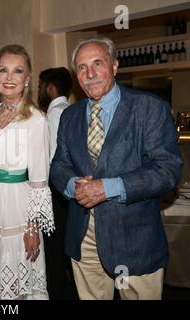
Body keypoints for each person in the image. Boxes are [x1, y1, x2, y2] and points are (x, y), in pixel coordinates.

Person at [50, 36, 183, 300]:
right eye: (82, 67)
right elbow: (59, 165)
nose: (90, 74)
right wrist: (73, 185)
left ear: (114, 66)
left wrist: (108, 187)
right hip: (83, 237)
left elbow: (168, 170)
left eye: (97, 63)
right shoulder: (70, 116)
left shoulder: (149, 108)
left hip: (135, 240)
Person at [0, 44, 55, 300]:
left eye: (17, 71)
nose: (9, 77)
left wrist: (32, 229)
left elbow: (39, 180)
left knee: (17, 286)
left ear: (27, 79)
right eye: (3, 70)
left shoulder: (36, 119)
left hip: (18, 211)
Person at [38, 67, 76, 299]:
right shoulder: (71, 110)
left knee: (52, 251)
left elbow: (51, 159)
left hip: (55, 191)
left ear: (50, 88)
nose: (39, 91)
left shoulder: (53, 115)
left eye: (41, 86)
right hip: (67, 190)